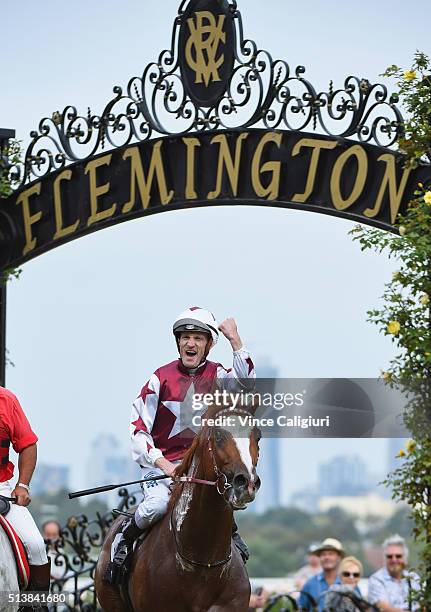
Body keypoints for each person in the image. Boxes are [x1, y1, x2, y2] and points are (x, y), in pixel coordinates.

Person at [105, 307, 256, 584]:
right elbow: (138, 430)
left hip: (201, 473)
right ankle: (123, 541)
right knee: (156, 508)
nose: (190, 343)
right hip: (163, 471)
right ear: (178, 342)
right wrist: (164, 464)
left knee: (219, 506)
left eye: (198, 338)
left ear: (209, 344)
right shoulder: (158, 378)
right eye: (185, 337)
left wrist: (235, 341)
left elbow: (246, 386)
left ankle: (231, 536)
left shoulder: (220, 375)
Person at [0, 387, 51, 596]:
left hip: (1, 487)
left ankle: (36, 606)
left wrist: (22, 485)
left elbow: (28, 444)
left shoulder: (6, 399)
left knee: (36, 545)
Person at [368, 535, 420, 611]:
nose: (394, 560)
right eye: (389, 556)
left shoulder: (414, 578)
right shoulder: (376, 580)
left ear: (405, 558)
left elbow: (421, 605)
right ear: (384, 559)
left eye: (398, 556)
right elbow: (384, 608)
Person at [297, 537, 345, 611]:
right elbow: (299, 608)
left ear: (339, 557)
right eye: (323, 554)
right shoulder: (310, 584)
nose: (327, 557)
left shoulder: (347, 582)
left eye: (331, 554)